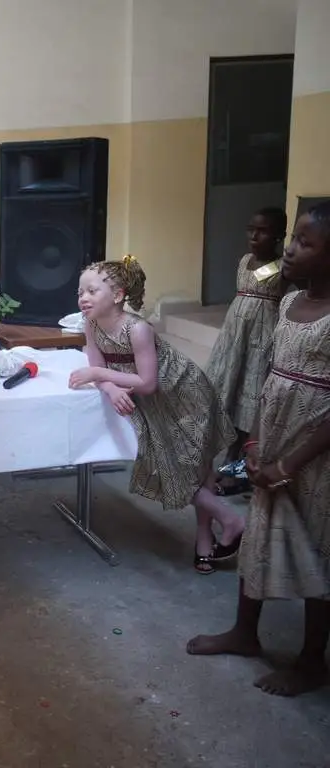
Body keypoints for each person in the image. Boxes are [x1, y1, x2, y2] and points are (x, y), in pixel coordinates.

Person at [187, 202, 330, 697]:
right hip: (272, 444)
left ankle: (311, 661)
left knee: (317, 547)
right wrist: (255, 444)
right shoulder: (288, 305)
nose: (290, 249)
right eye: (294, 238)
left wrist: (290, 462)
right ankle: (245, 632)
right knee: (259, 536)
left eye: (305, 242)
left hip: (315, 454)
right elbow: (269, 378)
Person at [68, 255, 243, 574]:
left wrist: (98, 374)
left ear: (118, 295)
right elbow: (100, 368)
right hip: (154, 402)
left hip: (186, 395)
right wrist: (110, 388)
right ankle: (226, 522)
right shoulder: (91, 325)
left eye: (92, 291)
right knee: (171, 465)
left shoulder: (138, 329)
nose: (83, 298)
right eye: (80, 292)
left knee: (197, 466)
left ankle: (211, 534)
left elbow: (146, 382)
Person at [206, 207, 290, 496]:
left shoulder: (283, 267)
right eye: (251, 229)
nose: (254, 236)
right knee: (229, 393)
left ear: (279, 235)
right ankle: (226, 456)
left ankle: (237, 464)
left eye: (263, 231)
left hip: (261, 340)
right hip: (234, 337)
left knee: (249, 400)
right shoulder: (245, 260)